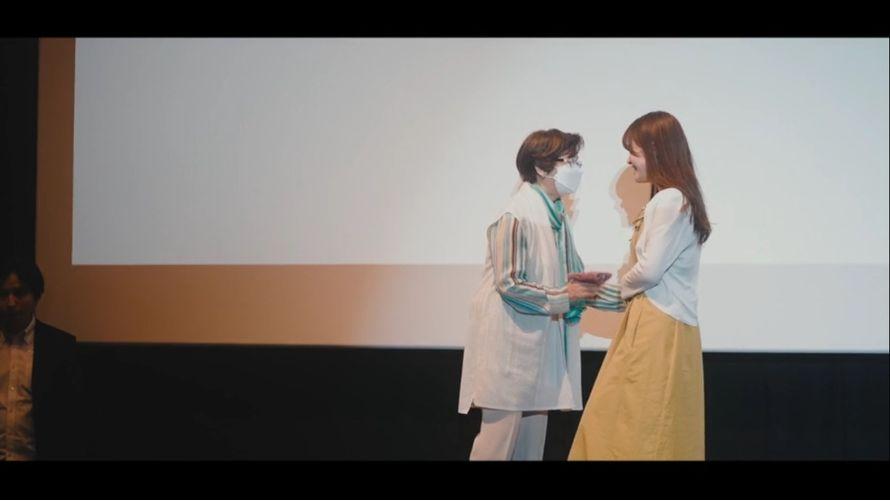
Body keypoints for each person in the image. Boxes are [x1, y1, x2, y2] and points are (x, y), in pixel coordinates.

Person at [458, 129, 625, 460]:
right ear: (540, 167)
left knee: (530, 451)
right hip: (509, 349)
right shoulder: (514, 216)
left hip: (538, 352)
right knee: (496, 448)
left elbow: (577, 284)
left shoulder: (557, 217)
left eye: (577, 161)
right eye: (569, 161)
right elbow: (509, 284)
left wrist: (630, 300)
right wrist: (565, 295)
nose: (577, 168)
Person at [568, 111, 711, 460]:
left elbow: (649, 270)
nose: (629, 160)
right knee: (653, 418)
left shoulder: (669, 199)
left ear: (657, 152)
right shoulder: (678, 199)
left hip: (656, 326)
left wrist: (615, 287)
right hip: (664, 323)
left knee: (636, 419)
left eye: (634, 152)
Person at [0, 258, 85, 460]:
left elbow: (70, 420)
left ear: (36, 296)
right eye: (3, 295)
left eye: (19, 293)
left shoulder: (60, 347)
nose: (11, 303)